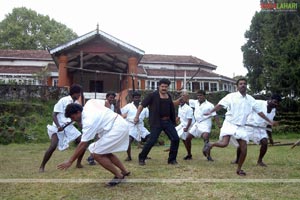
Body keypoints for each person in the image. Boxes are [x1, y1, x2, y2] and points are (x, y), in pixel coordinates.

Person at [203, 78, 276, 176]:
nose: (243, 85)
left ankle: (239, 169)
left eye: (245, 84)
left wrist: (270, 121)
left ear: (246, 86)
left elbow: (260, 112)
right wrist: (210, 112)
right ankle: (210, 144)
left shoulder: (251, 99)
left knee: (244, 149)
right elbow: (220, 105)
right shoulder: (231, 96)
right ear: (237, 86)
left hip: (241, 127)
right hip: (229, 123)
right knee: (224, 143)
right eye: (241, 84)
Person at [57, 99, 130, 187]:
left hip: (117, 128)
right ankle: (124, 171)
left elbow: (83, 144)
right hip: (119, 122)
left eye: (73, 117)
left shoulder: (88, 121)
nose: (73, 120)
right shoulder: (90, 103)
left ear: (78, 112)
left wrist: (70, 161)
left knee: (96, 153)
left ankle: (119, 176)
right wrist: (108, 115)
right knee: (103, 151)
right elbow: (106, 102)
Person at [39, 84, 84, 172]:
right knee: (53, 146)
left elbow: (78, 117)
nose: (79, 95)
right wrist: (59, 126)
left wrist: (81, 125)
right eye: (78, 94)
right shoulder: (64, 100)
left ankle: (78, 163)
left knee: (82, 141)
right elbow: (54, 114)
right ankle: (42, 166)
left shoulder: (77, 104)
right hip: (57, 127)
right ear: (74, 93)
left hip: (69, 127)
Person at [134, 78, 180, 165]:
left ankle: (172, 160)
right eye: (162, 86)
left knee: (175, 139)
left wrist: (180, 100)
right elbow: (141, 105)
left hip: (167, 121)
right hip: (156, 122)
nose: (164, 88)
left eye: (166, 87)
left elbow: (172, 105)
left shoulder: (169, 96)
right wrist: (137, 116)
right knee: (152, 140)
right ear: (159, 86)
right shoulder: (152, 95)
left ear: (168, 87)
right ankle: (142, 157)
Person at [232, 94, 282, 167]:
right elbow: (245, 108)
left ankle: (260, 161)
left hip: (261, 129)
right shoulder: (258, 103)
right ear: (270, 99)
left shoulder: (273, 110)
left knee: (265, 142)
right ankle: (237, 160)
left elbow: (268, 124)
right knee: (242, 144)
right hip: (249, 126)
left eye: (277, 103)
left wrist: (270, 138)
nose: (276, 104)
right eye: (275, 102)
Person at [184, 90, 221, 161]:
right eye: (198, 95)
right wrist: (185, 93)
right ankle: (189, 155)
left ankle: (208, 156)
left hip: (206, 123)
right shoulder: (195, 102)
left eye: (200, 95)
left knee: (205, 137)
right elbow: (186, 100)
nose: (199, 97)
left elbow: (215, 115)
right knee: (188, 138)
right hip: (197, 123)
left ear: (204, 96)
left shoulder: (210, 105)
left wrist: (219, 125)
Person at [87, 91, 118, 165]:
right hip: (100, 126)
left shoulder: (112, 106)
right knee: (98, 142)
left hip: (107, 127)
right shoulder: (103, 104)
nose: (112, 99)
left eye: (113, 98)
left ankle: (94, 157)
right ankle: (91, 157)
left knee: (102, 143)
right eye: (110, 98)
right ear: (106, 97)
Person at [121, 91, 150, 161]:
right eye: (135, 98)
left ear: (140, 98)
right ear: (133, 98)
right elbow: (123, 114)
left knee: (150, 139)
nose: (137, 99)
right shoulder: (128, 106)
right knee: (128, 141)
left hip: (140, 126)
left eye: (138, 97)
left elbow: (147, 116)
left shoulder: (144, 107)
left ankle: (144, 154)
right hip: (131, 126)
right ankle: (129, 156)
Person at [175, 95, 195, 160]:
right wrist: (173, 123)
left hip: (189, 126)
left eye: (182, 100)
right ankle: (189, 154)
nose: (180, 101)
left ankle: (189, 154)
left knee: (186, 140)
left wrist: (187, 128)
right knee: (178, 136)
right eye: (179, 100)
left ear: (185, 100)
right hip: (182, 125)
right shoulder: (179, 107)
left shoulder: (189, 108)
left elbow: (190, 119)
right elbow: (179, 117)